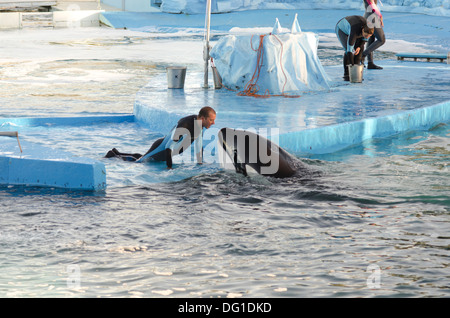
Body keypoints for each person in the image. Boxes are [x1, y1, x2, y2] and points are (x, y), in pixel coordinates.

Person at [105, 106, 216, 169]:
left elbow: (199, 144)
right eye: (211, 120)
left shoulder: (199, 125)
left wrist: (200, 163)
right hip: (160, 148)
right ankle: (114, 156)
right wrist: (169, 167)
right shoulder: (186, 125)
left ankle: (117, 153)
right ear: (202, 118)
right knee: (140, 162)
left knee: (143, 157)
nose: (213, 123)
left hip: (164, 152)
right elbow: (168, 147)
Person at [335, 16, 374, 81]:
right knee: (347, 49)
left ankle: (356, 73)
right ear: (363, 30)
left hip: (358, 30)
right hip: (342, 30)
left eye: (369, 36)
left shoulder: (369, 29)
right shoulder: (354, 31)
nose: (367, 37)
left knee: (360, 50)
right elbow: (349, 51)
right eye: (365, 36)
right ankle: (347, 74)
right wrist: (352, 65)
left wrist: (358, 47)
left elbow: (363, 41)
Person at [362, 0, 386, 69]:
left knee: (371, 40)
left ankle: (370, 63)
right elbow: (372, 5)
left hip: (371, 16)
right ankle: (362, 55)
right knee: (381, 39)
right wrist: (380, 16)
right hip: (372, 18)